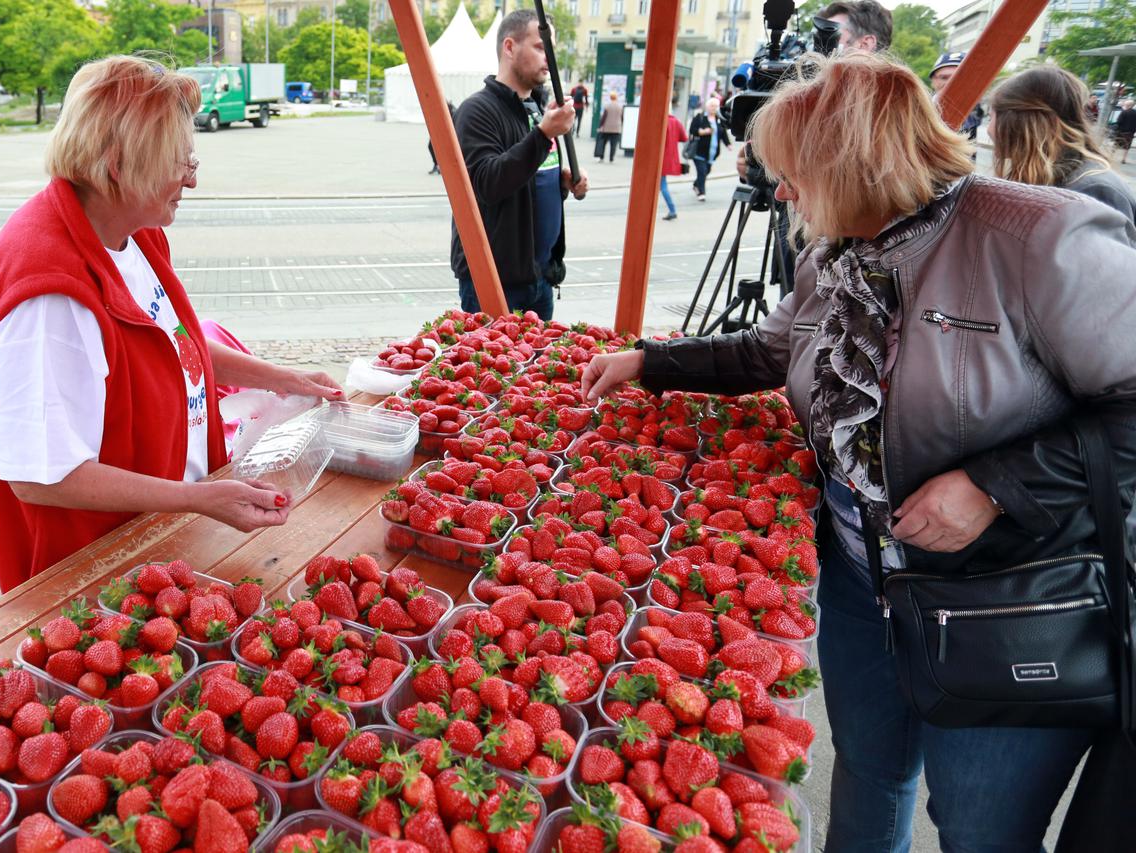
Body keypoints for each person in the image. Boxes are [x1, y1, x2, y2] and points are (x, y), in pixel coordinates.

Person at [580, 52, 1136, 852]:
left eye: (792, 170)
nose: (779, 191)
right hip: (860, 581)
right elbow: (767, 353)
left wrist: (995, 485)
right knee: (871, 773)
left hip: (1007, 597)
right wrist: (651, 362)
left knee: (980, 826)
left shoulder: (1032, 236)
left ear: (852, 162)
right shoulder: (831, 252)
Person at [0, 56, 344, 593]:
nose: (191, 178)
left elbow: (173, 345)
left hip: (164, 536)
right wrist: (195, 499)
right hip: (97, 572)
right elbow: (40, 476)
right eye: (178, 160)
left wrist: (281, 377)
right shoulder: (48, 295)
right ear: (118, 164)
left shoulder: (131, 231)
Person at [450, 9, 589, 321]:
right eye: (541, 47)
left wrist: (561, 183)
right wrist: (543, 135)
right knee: (495, 367)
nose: (548, 59)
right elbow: (486, 184)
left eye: (551, 49)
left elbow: (528, 175)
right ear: (509, 47)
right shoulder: (477, 111)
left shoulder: (538, 108)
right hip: (495, 280)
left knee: (540, 366)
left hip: (539, 277)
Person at [990, 65, 1136, 223]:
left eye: (992, 117)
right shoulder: (1055, 176)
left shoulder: (1091, 191)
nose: (989, 128)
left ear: (1026, 124)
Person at [929, 51, 983, 141]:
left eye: (959, 77)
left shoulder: (973, 111)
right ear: (933, 81)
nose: (950, 83)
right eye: (944, 77)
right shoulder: (917, 109)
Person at [687, 96, 731, 201]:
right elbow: (692, 130)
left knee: (707, 171)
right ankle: (701, 193)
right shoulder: (700, 117)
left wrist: (728, 144)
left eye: (716, 106)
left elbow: (723, 133)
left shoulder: (719, 119)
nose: (714, 108)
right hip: (699, 151)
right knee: (702, 172)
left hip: (712, 153)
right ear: (707, 107)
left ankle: (696, 184)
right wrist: (702, 131)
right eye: (712, 106)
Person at [659, 95, 688, 221]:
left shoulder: (660, 122)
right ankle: (671, 210)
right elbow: (684, 138)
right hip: (670, 158)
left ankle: (672, 210)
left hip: (660, 159)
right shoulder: (675, 121)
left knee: (662, 186)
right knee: (662, 184)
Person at [595, 91, 623, 162]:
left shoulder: (607, 106)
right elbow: (622, 118)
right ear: (616, 98)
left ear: (610, 97)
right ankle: (611, 158)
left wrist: (600, 126)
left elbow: (603, 117)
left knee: (603, 143)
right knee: (613, 144)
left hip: (607, 128)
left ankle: (602, 157)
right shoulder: (620, 107)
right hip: (616, 128)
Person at [1114, 99, 1136, 164]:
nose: (1124, 105)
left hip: (1121, 132)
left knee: (1116, 144)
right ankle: (1123, 159)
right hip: (1130, 133)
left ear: (1128, 105)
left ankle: (1111, 156)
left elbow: (1119, 121)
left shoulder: (1124, 112)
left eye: (1125, 104)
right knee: (1127, 146)